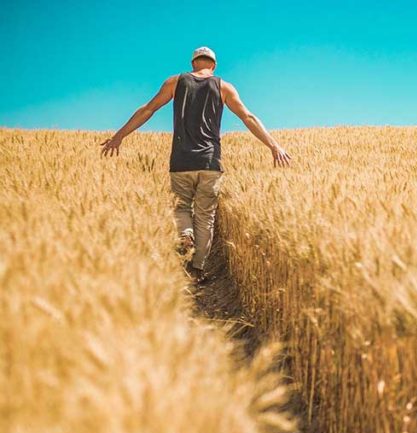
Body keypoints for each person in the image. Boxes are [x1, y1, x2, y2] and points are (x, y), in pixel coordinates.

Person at [100, 46, 290, 283]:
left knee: (181, 208)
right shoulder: (224, 87)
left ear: (193, 64)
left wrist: (119, 136)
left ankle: (185, 234)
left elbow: (148, 109)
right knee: (205, 216)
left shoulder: (175, 82)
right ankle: (198, 268)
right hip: (210, 162)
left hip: (181, 160)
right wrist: (274, 146)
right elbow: (248, 117)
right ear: (213, 65)